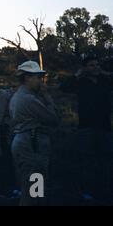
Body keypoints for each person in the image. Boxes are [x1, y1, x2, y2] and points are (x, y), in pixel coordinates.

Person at [60, 55, 113, 201]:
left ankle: (105, 190)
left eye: (97, 65)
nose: (95, 67)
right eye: (91, 65)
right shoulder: (80, 82)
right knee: (87, 160)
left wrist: (106, 73)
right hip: (86, 127)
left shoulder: (105, 81)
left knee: (105, 160)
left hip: (104, 126)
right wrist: (77, 75)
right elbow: (63, 87)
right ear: (85, 68)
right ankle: (87, 191)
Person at [9, 61, 60, 206]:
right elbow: (53, 119)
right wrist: (47, 97)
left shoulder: (19, 96)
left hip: (26, 141)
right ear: (27, 78)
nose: (40, 81)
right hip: (32, 144)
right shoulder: (28, 99)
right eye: (37, 77)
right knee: (34, 188)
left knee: (31, 186)